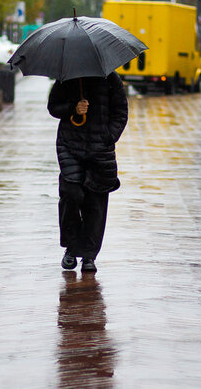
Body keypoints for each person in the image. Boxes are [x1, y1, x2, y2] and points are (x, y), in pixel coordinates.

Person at [47, 72, 128, 272]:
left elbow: (121, 111)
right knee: (71, 194)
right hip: (70, 145)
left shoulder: (111, 79)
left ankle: (90, 255)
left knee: (96, 202)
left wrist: (109, 136)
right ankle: (72, 249)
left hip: (100, 149)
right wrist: (73, 107)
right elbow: (53, 107)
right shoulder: (66, 77)